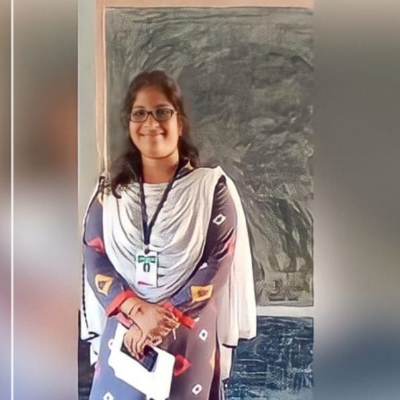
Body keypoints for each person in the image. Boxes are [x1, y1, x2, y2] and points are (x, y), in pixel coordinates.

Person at [81, 70, 256, 400]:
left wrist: (162, 318)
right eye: (140, 113)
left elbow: (217, 261)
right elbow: (95, 256)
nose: (151, 123)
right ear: (129, 124)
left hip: (186, 335)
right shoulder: (109, 193)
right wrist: (138, 313)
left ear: (181, 122)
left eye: (162, 111)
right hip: (125, 333)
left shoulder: (210, 189)